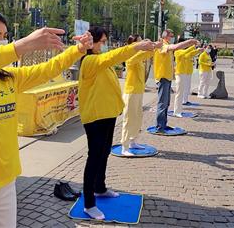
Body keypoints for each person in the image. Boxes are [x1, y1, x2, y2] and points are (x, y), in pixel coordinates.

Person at [0, 8, 93, 228]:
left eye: (4, 37)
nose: (2, 42)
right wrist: (23, 45)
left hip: (5, 182)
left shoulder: (9, 78)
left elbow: (47, 69)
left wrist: (77, 50)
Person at [78, 26, 155, 220]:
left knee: (104, 153)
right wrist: (137, 46)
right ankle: (89, 203)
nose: (104, 45)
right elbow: (113, 56)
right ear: (92, 42)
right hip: (95, 117)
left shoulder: (101, 62)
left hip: (107, 115)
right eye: (102, 42)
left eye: (105, 42)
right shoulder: (89, 61)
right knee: (94, 157)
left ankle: (100, 188)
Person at [120, 34, 161, 156]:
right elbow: (140, 56)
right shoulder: (130, 57)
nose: (141, 44)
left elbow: (144, 56)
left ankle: (133, 141)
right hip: (131, 91)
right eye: (139, 42)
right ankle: (124, 146)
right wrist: (153, 47)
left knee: (137, 117)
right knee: (129, 118)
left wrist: (152, 47)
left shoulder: (140, 57)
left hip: (138, 91)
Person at [153, 29, 196, 133]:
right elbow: (175, 47)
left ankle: (163, 124)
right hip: (162, 77)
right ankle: (160, 127)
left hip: (167, 77)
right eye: (171, 35)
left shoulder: (166, 44)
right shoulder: (162, 45)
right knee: (162, 103)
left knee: (166, 102)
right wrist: (189, 42)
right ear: (166, 36)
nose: (172, 37)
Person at [172, 37, 202, 117]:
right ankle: (176, 111)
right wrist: (193, 46)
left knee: (181, 92)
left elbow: (189, 54)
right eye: (184, 44)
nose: (185, 45)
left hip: (184, 73)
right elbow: (185, 52)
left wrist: (198, 50)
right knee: (179, 93)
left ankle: (179, 110)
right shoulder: (177, 51)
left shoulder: (183, 51)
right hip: (179, 73)